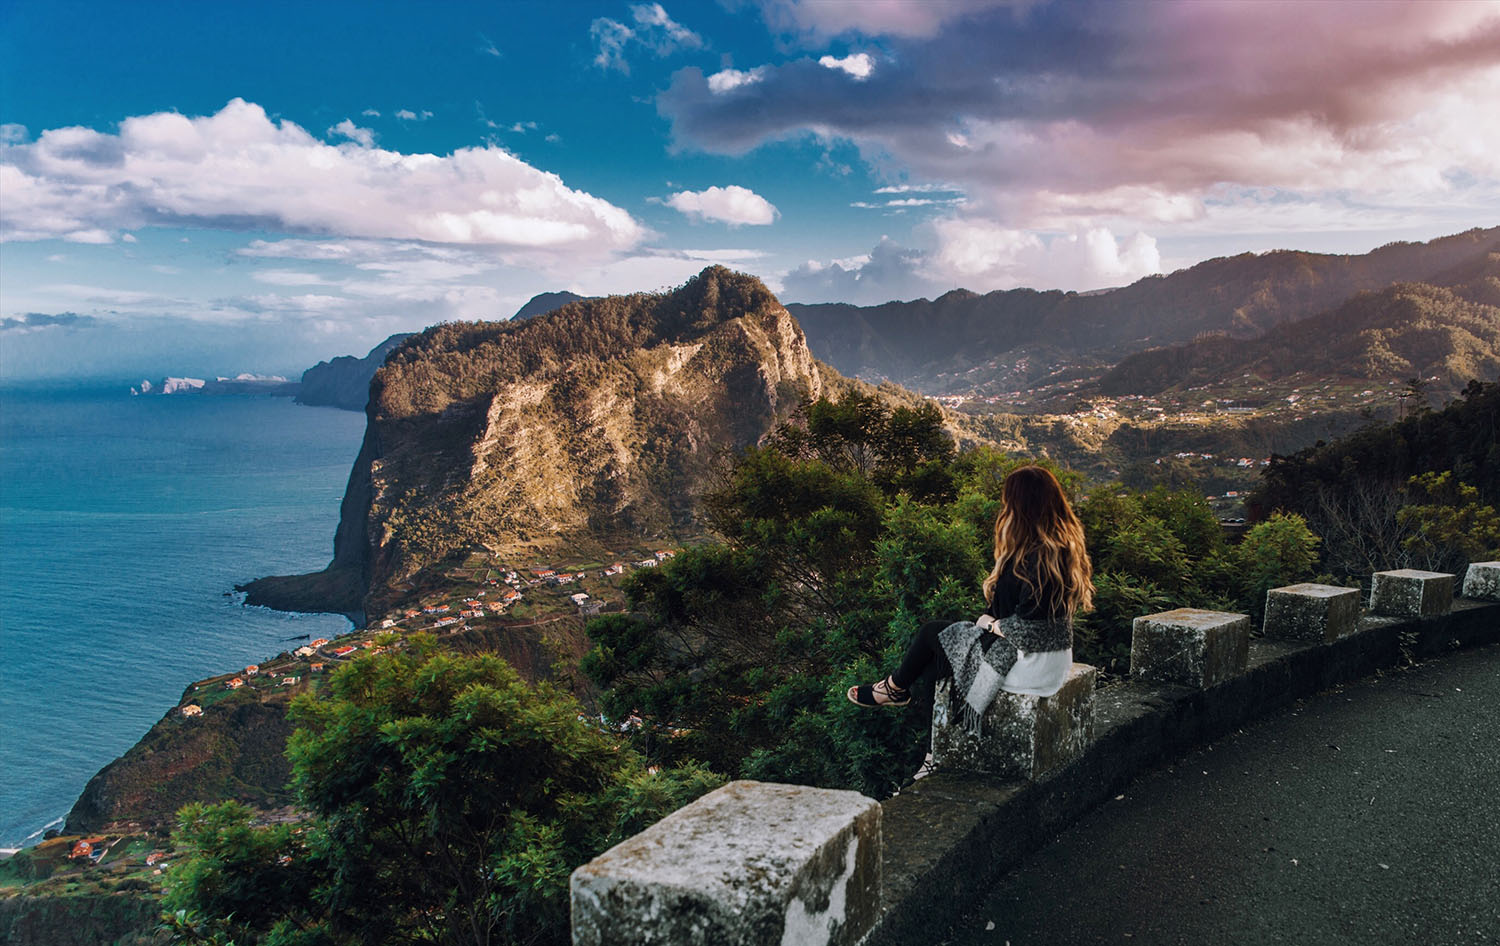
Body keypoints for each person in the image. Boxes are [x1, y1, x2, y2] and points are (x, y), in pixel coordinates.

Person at [847, 465, 1094, 736]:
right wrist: (993, 621)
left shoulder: (1038, 559)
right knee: (936, 659)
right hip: (1051, 661)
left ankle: (893, 688)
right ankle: (930, 754)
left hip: (1032, 667)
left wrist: (989, 624)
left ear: (1021, 507)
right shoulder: (1054, 550)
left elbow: (1029, 631)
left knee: (933, 632)